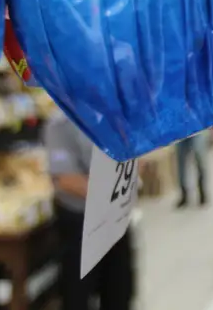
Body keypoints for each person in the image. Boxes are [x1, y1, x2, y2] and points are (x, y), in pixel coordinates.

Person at [43, 111, 135, 310]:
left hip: (114, 220)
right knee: (78, 294)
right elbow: (66, 179)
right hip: (80, 224)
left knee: (120, 291)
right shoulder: (61, 123)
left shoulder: (111, 114)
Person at [175, 131, 209, 208]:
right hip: (180, 131)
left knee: (200, 159)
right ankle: (184, 194)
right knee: (181, 162)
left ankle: (202, 191)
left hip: (196, 130)